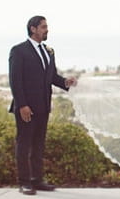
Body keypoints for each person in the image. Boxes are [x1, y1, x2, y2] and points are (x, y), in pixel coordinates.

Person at [8, 16, 77, 195]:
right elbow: (15, 81)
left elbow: (51, 76)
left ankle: (37, 180)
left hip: (44, 106)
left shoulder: (49, 51)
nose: (47, 30)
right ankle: (24, 183)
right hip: (26, 108)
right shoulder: (18, 51)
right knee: (24, 145)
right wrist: (22, 105)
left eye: (47, 27)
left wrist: (65, 82)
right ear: (33, 29)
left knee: (38, 144)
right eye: (44, 27)